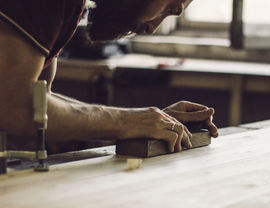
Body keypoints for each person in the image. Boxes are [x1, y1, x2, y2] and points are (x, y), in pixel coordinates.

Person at [0, 0, 218, 153]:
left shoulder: (71, 7)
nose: (153, 28)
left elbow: (40, 102)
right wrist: (130, 122)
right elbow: (16, 107)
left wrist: (152, 122)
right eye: (169, 8)